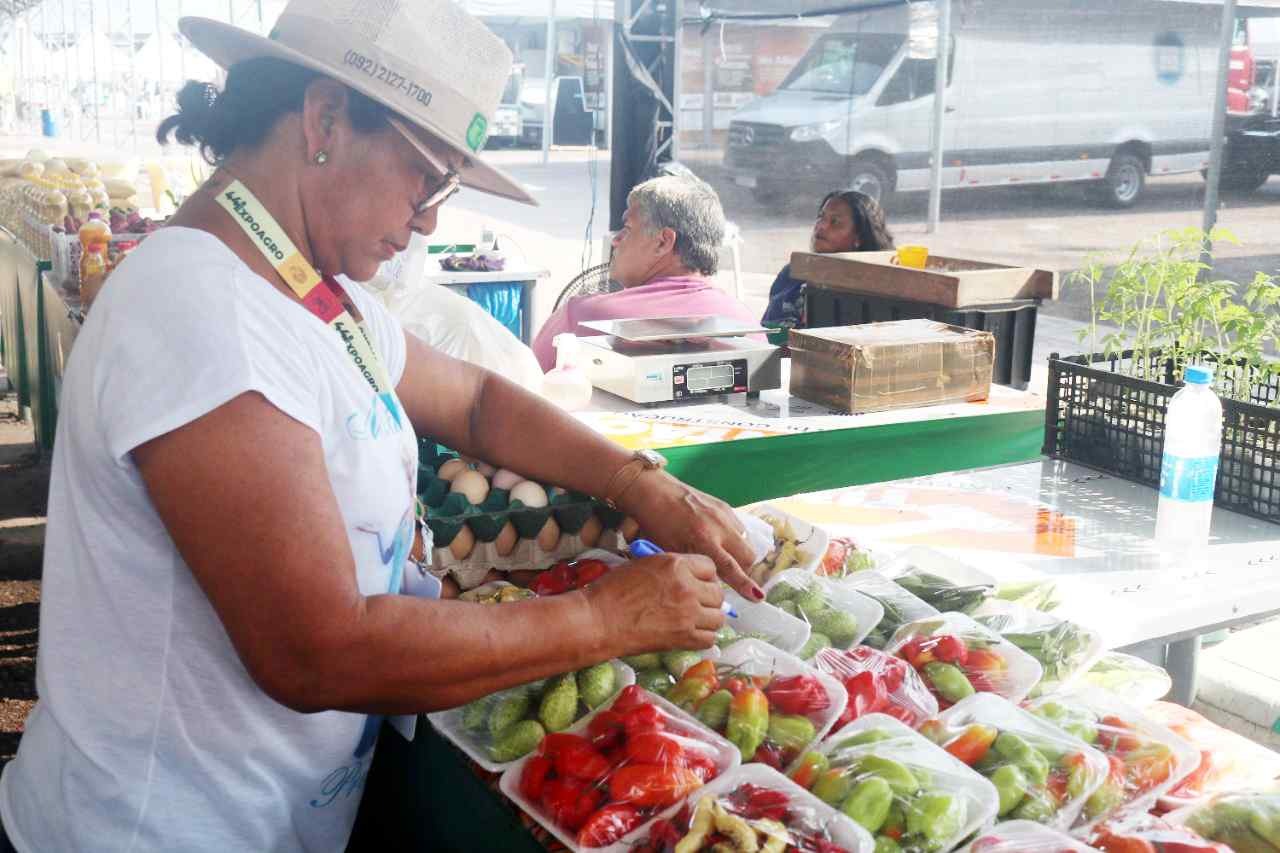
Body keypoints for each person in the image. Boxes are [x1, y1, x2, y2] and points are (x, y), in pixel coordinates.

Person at [0, 2, 762, 851]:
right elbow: (317, 650)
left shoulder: (310, 286)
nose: (432, 217)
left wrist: (634, 479)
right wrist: (602, 619)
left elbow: (474, 400)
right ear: (325, 118)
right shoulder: (200, 309)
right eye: (427, 175)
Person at [532, 174, 757, 371]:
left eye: (628, 229)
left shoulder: (582, 318)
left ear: (663, 242)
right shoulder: (747, 325)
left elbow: (522, 388)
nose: (616, 240)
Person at [761, 189, 895, 331]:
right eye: (821, 217)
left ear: (859, 236)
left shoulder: (877, 285)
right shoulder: (793, 274)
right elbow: (771, 332)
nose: (821, 226)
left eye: (835, 221)